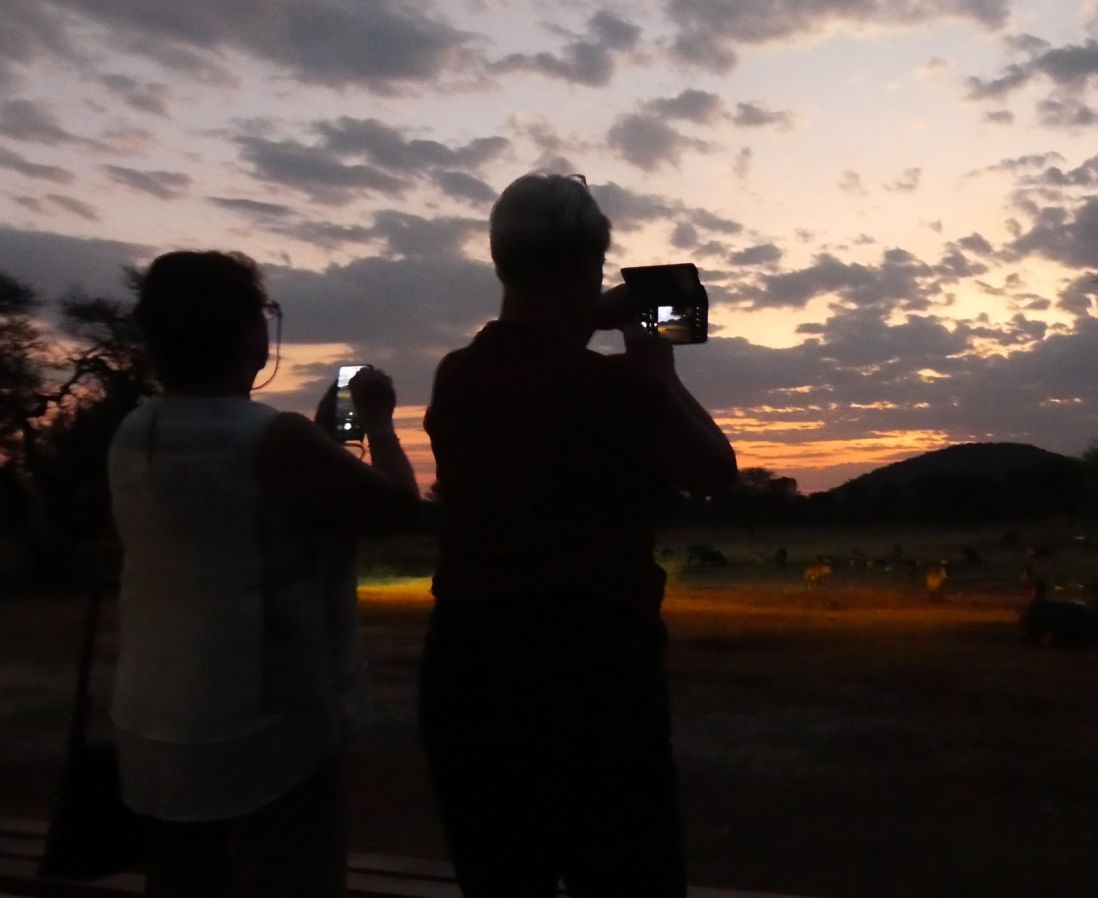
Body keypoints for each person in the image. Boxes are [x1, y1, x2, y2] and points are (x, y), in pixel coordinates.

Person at [420, 173, 737, 898]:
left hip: (469, 663)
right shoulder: (616, 390)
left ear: (501, 260)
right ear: (590, 264)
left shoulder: (457, 377)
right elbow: (715, 470)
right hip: (592, 666)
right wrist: (658, 369)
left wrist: (585, 315)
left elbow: (531, 350)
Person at [106, 250, 419, 897]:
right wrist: (381, 422)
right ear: (249, 331)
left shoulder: (135, 431)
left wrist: (321, 439)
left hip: (155, 729)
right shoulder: (268, 438)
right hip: (264, 736)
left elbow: (246, 515)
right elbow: (394, 509)